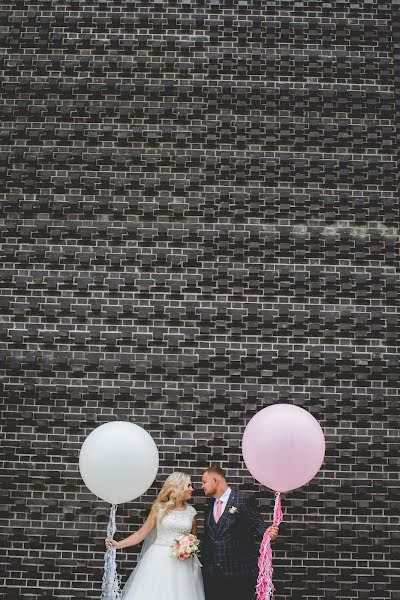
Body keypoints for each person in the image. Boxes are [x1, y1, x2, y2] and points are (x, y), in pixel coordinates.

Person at [105, 471, 204, 600]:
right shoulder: (159, 509)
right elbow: (141, 533)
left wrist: (189, 547)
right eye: (188, 485)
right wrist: (118, 544)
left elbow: (193, 538)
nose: (192, 489)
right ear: (178, 487)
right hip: (159, 559)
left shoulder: (192, 512)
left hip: (183, 563)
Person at [201, 466, 279, 600]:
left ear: (215, 480)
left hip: (239, 575)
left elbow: (258, 525)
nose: (202, 486)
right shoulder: (209, 506)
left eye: (204, 482)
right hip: (213, 577)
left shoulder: (242, 499)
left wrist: (269, 533)